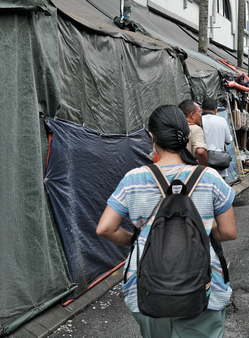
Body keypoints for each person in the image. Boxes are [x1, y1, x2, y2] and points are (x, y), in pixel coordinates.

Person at [96, 105, 236, 338]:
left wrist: (139, 237)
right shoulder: (208, 176)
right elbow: (229, 232)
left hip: (147, 284)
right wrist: (203, 231)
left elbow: (105, 228)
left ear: (152, 137)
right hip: (203, 282)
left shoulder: (134, 178)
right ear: (187, 135)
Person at [202, 98, 233, 177]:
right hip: (219, 161)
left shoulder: (198, 120)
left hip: (202, 161)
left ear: (202, 110)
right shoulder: (221, 121)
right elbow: (228, 140)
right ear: (216, 110)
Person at [179, 99, 209, 166]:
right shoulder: (195, 129)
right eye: (199, 112)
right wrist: (206, 169)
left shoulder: (173, 129)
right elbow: (200, 152)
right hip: (192, 171)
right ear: (192, 114)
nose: (201, 115)